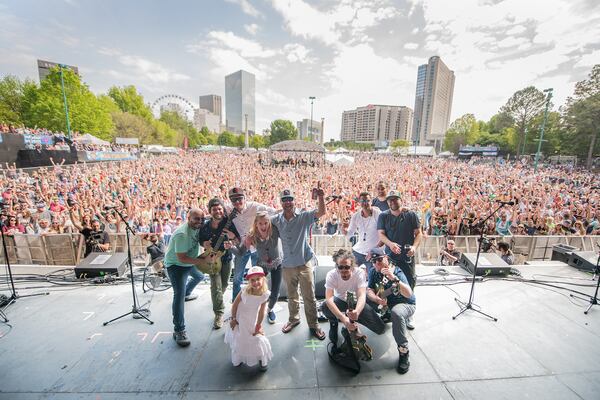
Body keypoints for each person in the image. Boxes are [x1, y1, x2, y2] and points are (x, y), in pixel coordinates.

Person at [271, 188, 327, 340]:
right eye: (284, 200)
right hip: (288, 264)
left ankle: (314, 325)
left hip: (304, 263)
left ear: (294, 201)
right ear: (281, 203)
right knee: (291, 295)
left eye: (290, 199)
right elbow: (261, 224)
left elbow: (321, 213)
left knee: (309, 296)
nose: (287, 202)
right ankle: (293, 319)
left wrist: (321, 197)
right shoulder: (276, 220)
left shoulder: (303, 217)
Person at [163, 208, 208, 347]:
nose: (199, 222)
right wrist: (202, 261)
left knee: (199, 276)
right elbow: (182, 258)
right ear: (188, 218)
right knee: (178, 295)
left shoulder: (198, 227)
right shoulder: (181, 234)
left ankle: (187, 293)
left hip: (189, 261)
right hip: (176, 266)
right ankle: (179, 330)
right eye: (196, 219)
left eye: (201, 219)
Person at [323, 249, 384, 350]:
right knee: (325, 306)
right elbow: (329, 298)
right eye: (340, 267)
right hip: (340, 301)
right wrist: (344, 319)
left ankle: (354, 322)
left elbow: (361, 296)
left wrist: (357, 312)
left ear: (352, 266)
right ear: (336, 265)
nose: (343, 270)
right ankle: (334, 322)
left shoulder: (359, 273)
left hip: (356, 303)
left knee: (380, 329)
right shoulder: (331, 275)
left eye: (346, 267)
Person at [366, 248, 415, 374]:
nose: (376, 263)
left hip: (405, 304)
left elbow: (409, 294)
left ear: (386, 258)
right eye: (373, 261)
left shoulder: (396, 271)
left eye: (379, 260)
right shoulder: (373, 271)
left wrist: (393, 278)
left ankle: (404, 351)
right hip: (387, 303)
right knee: (363, 297)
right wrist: (376, 299)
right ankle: (382, 319)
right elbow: (369, 290)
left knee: (397, 313)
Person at [377, 190, 421, 329]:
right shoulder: (384, 216)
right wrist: (390, 244)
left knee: (409, 283)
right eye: (390, 200)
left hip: (407, 258)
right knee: (389, 284)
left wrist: (414, 247)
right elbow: (381, 235)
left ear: (401, 200)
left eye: (395, 199)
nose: (392, 202)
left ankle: (408, 313)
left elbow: (419, 233)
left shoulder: (411, 214)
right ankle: (390, 310)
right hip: (391, 257)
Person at [227, 187, 277, 302]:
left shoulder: (255, 206)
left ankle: (264, 302)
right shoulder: (229, 209)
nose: (237, 202)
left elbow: (274, 212)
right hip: (242, 247)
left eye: (239, 199)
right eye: (233, 200)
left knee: (260, 276)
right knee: (237, 278)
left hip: (257, 247)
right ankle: (236, 302)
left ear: (245, 198)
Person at [197, 198, 240, 330]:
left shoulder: (229, 223)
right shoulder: (205, 226)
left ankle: (217, 299)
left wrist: (232, 240)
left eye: (220, 209)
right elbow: (200, 240)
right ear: (210, 211)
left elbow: (238, 241)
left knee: (224, 284)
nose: (218, 211)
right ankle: (219, 314)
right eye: (215, 209)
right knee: (216, 286)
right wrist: (204, 243)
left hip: (226, 259)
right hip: (211, 260)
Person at [225, 266, 272, 371]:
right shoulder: (245, 290)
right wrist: (233, 319)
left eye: (258, 279)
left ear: (263, 279)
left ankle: (261, 358)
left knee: (256, 337)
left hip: (252, 319)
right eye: (252, 280)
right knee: (240, 338)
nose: (255, 282)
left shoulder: (265, 294)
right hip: (240, 318)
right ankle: (239, 358)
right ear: (249, 281)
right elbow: (235, 305)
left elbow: (261, 312)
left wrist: (259, 325)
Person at [244, 211, 283, 324]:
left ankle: (270, 309)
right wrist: (232, 246)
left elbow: (288, 233)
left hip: (277, 264)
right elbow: (241, 250)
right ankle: (253, 309)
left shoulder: (275, 231)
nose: (263, 226)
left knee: (275, 291)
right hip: (262, 265)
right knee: (255, 287)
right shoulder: (252, 235)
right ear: (256, 224)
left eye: (266, 223)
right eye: (260, 223)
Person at [342, 192, 382, 275]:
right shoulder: (356, 216)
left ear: (371, 201)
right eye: (362, 201)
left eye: (367, 200)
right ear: (359, 203)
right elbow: (349, 234)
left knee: (373, 278)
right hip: (358, 252)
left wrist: (374, 250)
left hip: (373, 253)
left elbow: (384, 235)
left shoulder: (378, 214)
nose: (365, 203)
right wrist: (343, 229)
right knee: (348, 273)